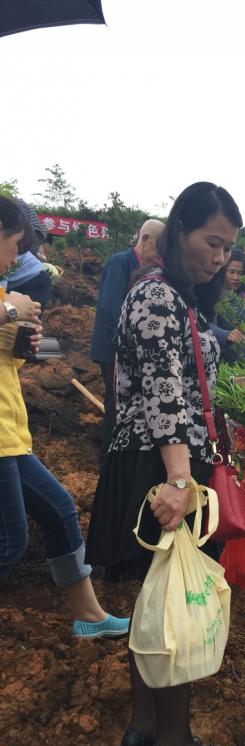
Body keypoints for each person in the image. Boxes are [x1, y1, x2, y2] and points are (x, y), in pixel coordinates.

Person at [86, 182, 243, 746]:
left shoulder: (182, 299)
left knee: (157, 602)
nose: (219, 258)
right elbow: (164, 393)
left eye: (227, 248)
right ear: (179, 230)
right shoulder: (155, 297)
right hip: (162, 463)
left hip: (165, 459)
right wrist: (181, 481)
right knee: (176, 605)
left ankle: (144, 727)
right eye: (211, 242)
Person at [0, 197, 128, 638]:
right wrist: (11, 309)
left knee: (58, 509)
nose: (17, 257)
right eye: (15, 244)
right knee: (10, 541)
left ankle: (89, 617)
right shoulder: (7, 296)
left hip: (9, 431)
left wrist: (25, 346)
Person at [90, 220, 164, 459]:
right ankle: (107, 461)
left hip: (127, 349)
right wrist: (134, 343)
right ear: (145, 239)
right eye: (160, 245)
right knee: (115, 403)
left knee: (121, 402)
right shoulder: (120, 262)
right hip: (113, 348)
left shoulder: (147, 269)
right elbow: (112, 310)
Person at [208, 248, 245, 361]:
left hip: (244, 358)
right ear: (223, 271)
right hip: (221, 357)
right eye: (231, 272)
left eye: (240, 273)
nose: (236, 277)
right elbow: (207, 325)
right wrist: (226, 334)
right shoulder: (214, 295)